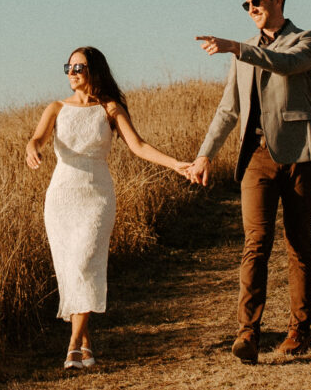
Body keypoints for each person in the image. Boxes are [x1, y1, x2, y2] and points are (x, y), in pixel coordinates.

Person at [23, 45, 195, 368]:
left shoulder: (110, 109)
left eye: (79, 67)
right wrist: (31, 149)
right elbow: (37, 138)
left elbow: (139, 145)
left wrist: (176, 165)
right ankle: (85, 341)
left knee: (86, 259)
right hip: (61, 197)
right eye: (69, 68)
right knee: (71, 269)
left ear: (94, 70)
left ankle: (73, 342)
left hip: (97, 195)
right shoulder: (56, 108)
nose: (72, 74)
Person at [189, 0, 311, 363]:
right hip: (256, 158)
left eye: (257, 2)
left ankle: (299, 328)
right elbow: (228, 109)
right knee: (255, 244)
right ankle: (247, 333)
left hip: (300, 153)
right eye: (246, 4)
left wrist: (237, 48)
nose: (251, 10)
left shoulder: (308, 39)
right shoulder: (245, 51)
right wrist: (205, 154)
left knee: (298, 241)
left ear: (278, 0)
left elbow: (287, 65)